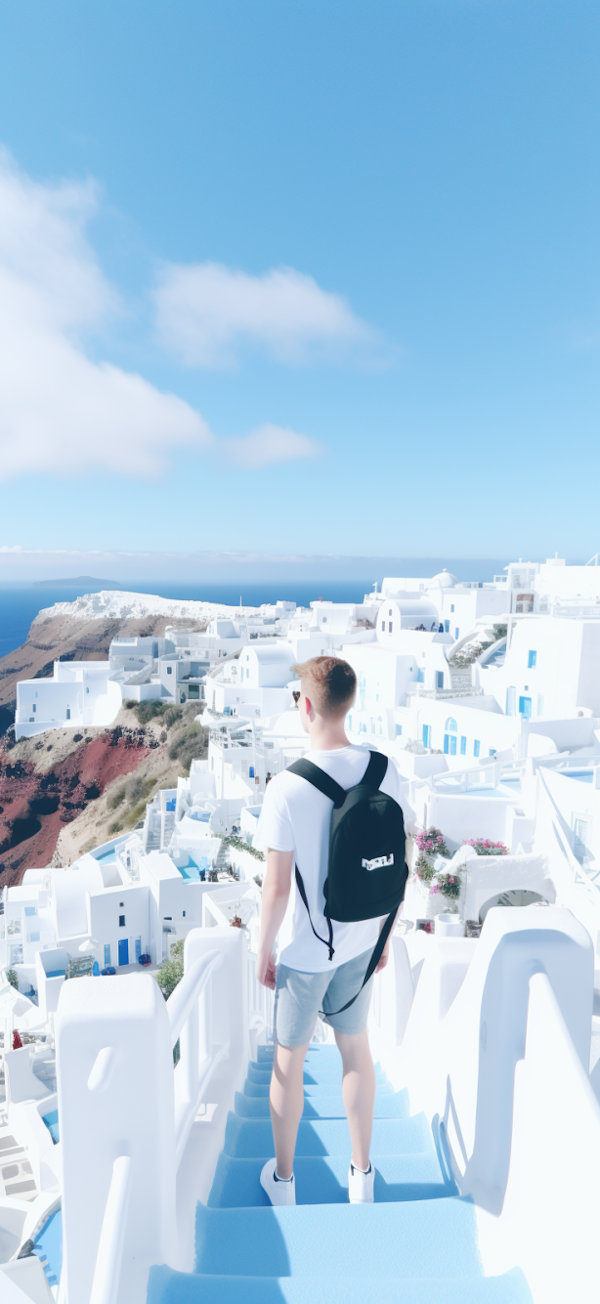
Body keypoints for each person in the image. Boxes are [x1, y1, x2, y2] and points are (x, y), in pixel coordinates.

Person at [254, 655, 408, 1207]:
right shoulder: (385, 769)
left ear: (308, 705)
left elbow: (274, 891)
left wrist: (263, 950)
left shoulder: (286, 789)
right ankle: (362, 1177)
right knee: (355, 1054)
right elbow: (396, 859)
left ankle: (286, 1182)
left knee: (287, 1065)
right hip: (362, 944)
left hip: (306, 952)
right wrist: (384, 938)